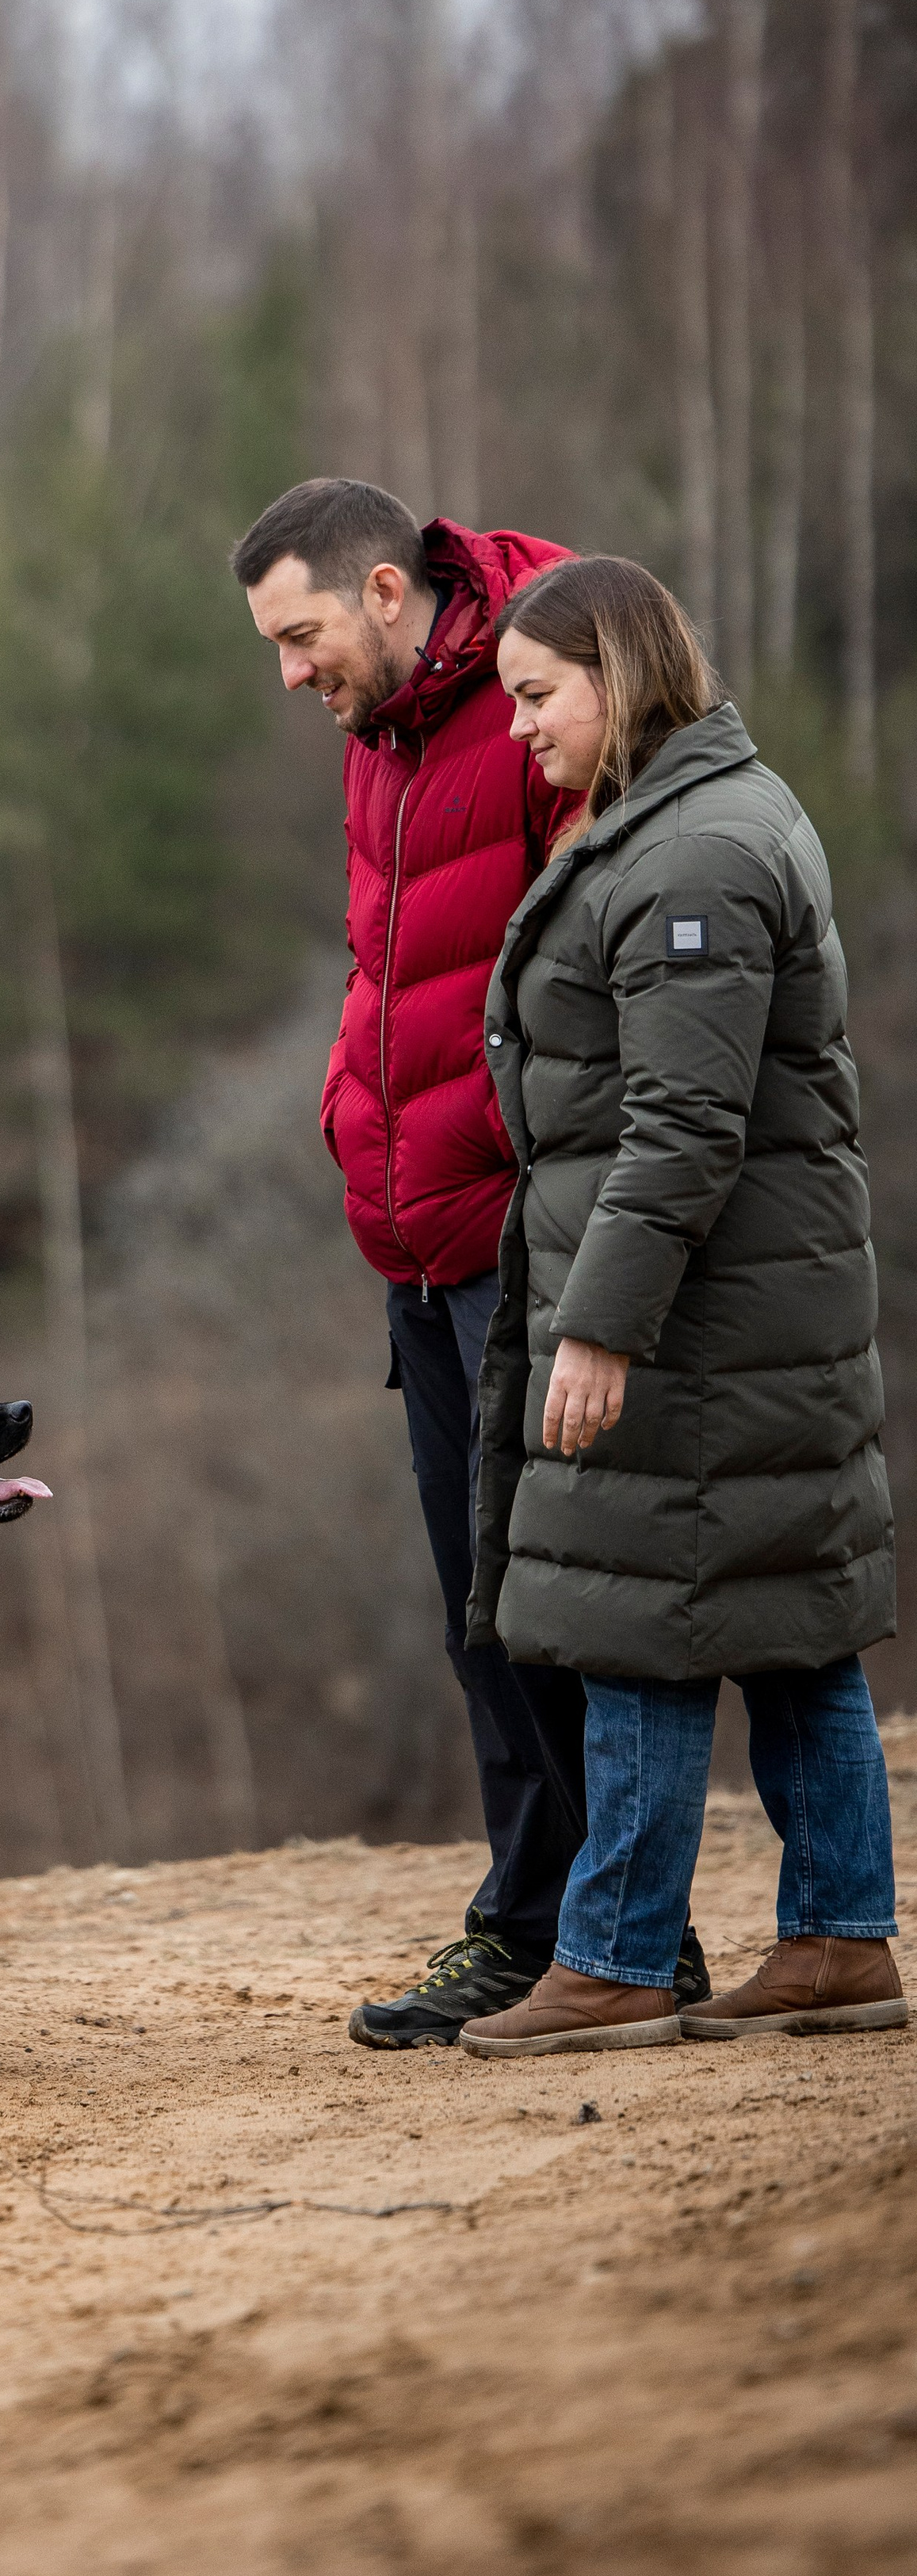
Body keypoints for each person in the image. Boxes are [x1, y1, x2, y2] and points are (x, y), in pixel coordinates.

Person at [233, 478, 708, 2047]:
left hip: (519, 1233)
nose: (289, 675)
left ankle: (599, 1937)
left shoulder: (535, 696)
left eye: (300, 636)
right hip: (412, 1239)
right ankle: (536, 1924)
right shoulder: (378, 739)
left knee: (557, 1598)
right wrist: (348, 1113)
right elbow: (391, 964)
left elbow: (594, 958)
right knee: (476, 1605)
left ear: (383, 589)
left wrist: (530, 1181)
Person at [458, 555, 904, 2058]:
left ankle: (621, 1957)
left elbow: (684, 1127)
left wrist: (602, 1325)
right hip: (740, 1309)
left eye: (536, 695)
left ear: (621, 675)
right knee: (789, 1625)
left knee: (636, 1613)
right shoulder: (685, 816)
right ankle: (841, 1943)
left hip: (700, 1321)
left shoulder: (698, 852)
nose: (517, 726)